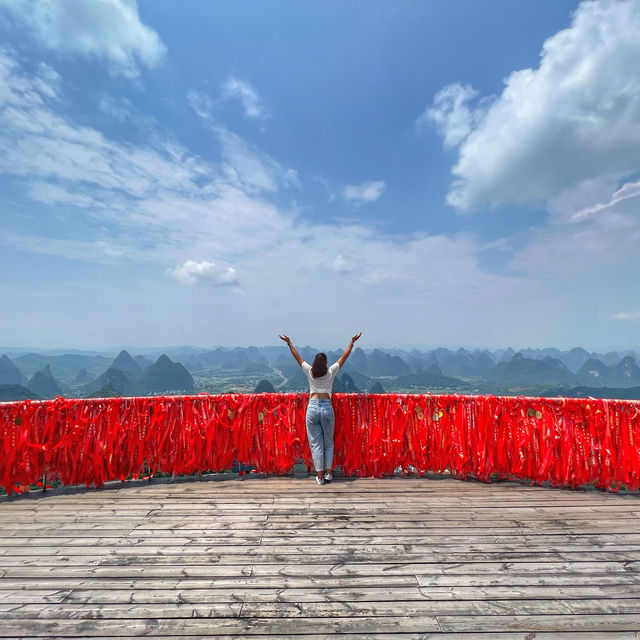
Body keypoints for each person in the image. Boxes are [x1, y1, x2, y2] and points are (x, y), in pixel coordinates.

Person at [278, 332, 362, 485]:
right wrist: (352, 342)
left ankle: (320, 476)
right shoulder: (331, 372)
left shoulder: (310, 372)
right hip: (327, 407)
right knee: (329, 442)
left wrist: (289, 342)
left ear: (315, 363)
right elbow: (344, 357)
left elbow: (298, 358)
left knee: (316, 443)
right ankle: (329, 473)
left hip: (312, 407)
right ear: (325, 364)